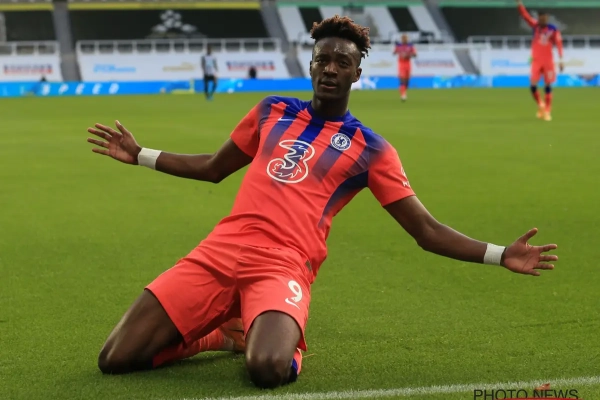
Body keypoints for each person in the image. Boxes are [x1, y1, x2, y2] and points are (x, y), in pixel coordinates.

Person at [86, 15, 558, 389]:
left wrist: (500, 254)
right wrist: (141, 154)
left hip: (283, 265)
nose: (330, 68)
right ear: (311, 65)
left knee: (267, 370)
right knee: (116, 359)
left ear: (357, 73)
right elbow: (212, 167)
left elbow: (426, 232)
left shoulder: (372, 149)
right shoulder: (271, 110)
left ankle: (266, 336)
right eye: (322, 59)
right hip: (221, 250)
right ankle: (220, 335)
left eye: (342, 62)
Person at [516, 0, 564, 121]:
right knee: (533, 85)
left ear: (547, 18)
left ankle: (547, 111)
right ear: (539, 18)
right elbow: (525, 16)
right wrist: (519, 4)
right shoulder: (535, 26)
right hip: (536, 60)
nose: (543, 20)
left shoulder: (553, 29)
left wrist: (561, 59)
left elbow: (559, 44)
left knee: (548, 85)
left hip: (548, 61)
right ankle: (540, 104)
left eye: (545, 18)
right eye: (541, 18)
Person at [393, 34, 417, 102]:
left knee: (407, 81)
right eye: (403, 38)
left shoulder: (410, 45)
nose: (404, 39)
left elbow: (415, 54)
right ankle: (403, 95)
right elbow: (394, 52)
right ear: (401, 39)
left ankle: (404, 92)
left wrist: (409, 55)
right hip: (401, 64)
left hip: (408, 64)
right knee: (402, 79)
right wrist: (397, 50)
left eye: (405, 38)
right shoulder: (399, 46)